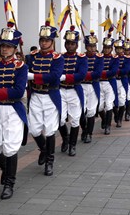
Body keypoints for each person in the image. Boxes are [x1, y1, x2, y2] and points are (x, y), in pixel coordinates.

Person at [0, 19, 28, 199]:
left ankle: (9, 182)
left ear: (15, 48)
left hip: (12, 109)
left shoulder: (21, 67)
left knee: (10, 148)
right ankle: (6, 168)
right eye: (3, 46)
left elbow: (18, 91)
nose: (4, 49)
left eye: (9, 46)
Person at [28, 20, 64, 176]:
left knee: (49, 130)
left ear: (52, 41)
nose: (44, 43)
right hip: (36, 94)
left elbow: (55, 76)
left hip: (50, 95)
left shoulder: (57, 58)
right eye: (42, 40)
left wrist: (33, 76)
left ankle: (50, 160)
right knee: (34, 129)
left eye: (47, 40)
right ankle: (43, 149)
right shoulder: (32, 56)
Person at [58, 26, 87, 156]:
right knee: (60, 119)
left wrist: (66, 77)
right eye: (68, 43)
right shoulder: (59, 57)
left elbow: (82, 74)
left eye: (73, 44)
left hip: (74, 90)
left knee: (75, 119)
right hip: (61, 90)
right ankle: (65, 138)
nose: (70, 46)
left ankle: (72, 145)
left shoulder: (81, 58)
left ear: (76, 45)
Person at [79, 30, 103, 144]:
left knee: (91, 111)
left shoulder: (99, 58)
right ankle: (84, 129)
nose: (92, 49)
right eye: (90, 46)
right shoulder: (80, 57)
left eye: (94, 46)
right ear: (86, 46)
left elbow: (98, 73)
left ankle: (89, 133)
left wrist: (83, 75)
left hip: (93, 86)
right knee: (80, 111)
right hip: (81, 86)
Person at [97, 31, 119, 134]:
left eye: (108, 48)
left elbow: (113, 72)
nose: (106, 49)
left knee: (109, 104)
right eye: (105, 47)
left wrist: (100, 73)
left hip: (109, 83)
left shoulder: (114, 58)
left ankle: (108, 126)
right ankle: (104, 119)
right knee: (100, 106)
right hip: (99, 83)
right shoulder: (98, 57)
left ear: (111, 49)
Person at [113, 37, 128, 127]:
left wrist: (115, 71)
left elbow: (125, 70)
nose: (118, 50)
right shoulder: (112, 58)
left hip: (122, 81)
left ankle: (119, 119)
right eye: (117, 49)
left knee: (122, 100)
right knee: (112, 101)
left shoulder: (126, 58)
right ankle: (116, 114)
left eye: (120, 48)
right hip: (113, 81)